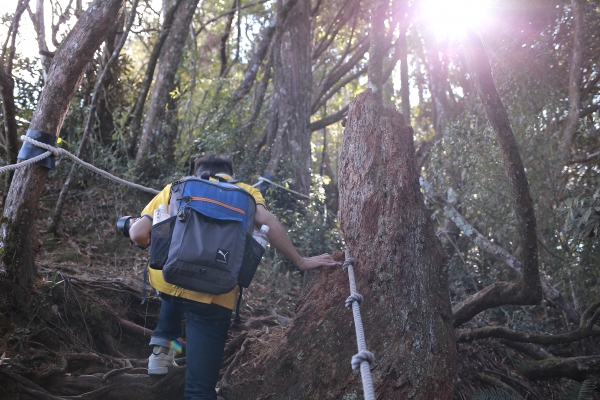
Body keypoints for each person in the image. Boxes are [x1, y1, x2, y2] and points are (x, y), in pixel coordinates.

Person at [128, 155, 340, 400]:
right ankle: (180, 367)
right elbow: (268, 222)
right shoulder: (246, 192)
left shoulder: (179, 186)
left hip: (167, 282)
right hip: (215, 293)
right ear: (232, 175)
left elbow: (137, 234)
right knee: (199, 389)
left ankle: (161, 348)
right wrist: (300, 261)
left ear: (198, 172)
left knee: (176, 270)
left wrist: (152, 240)